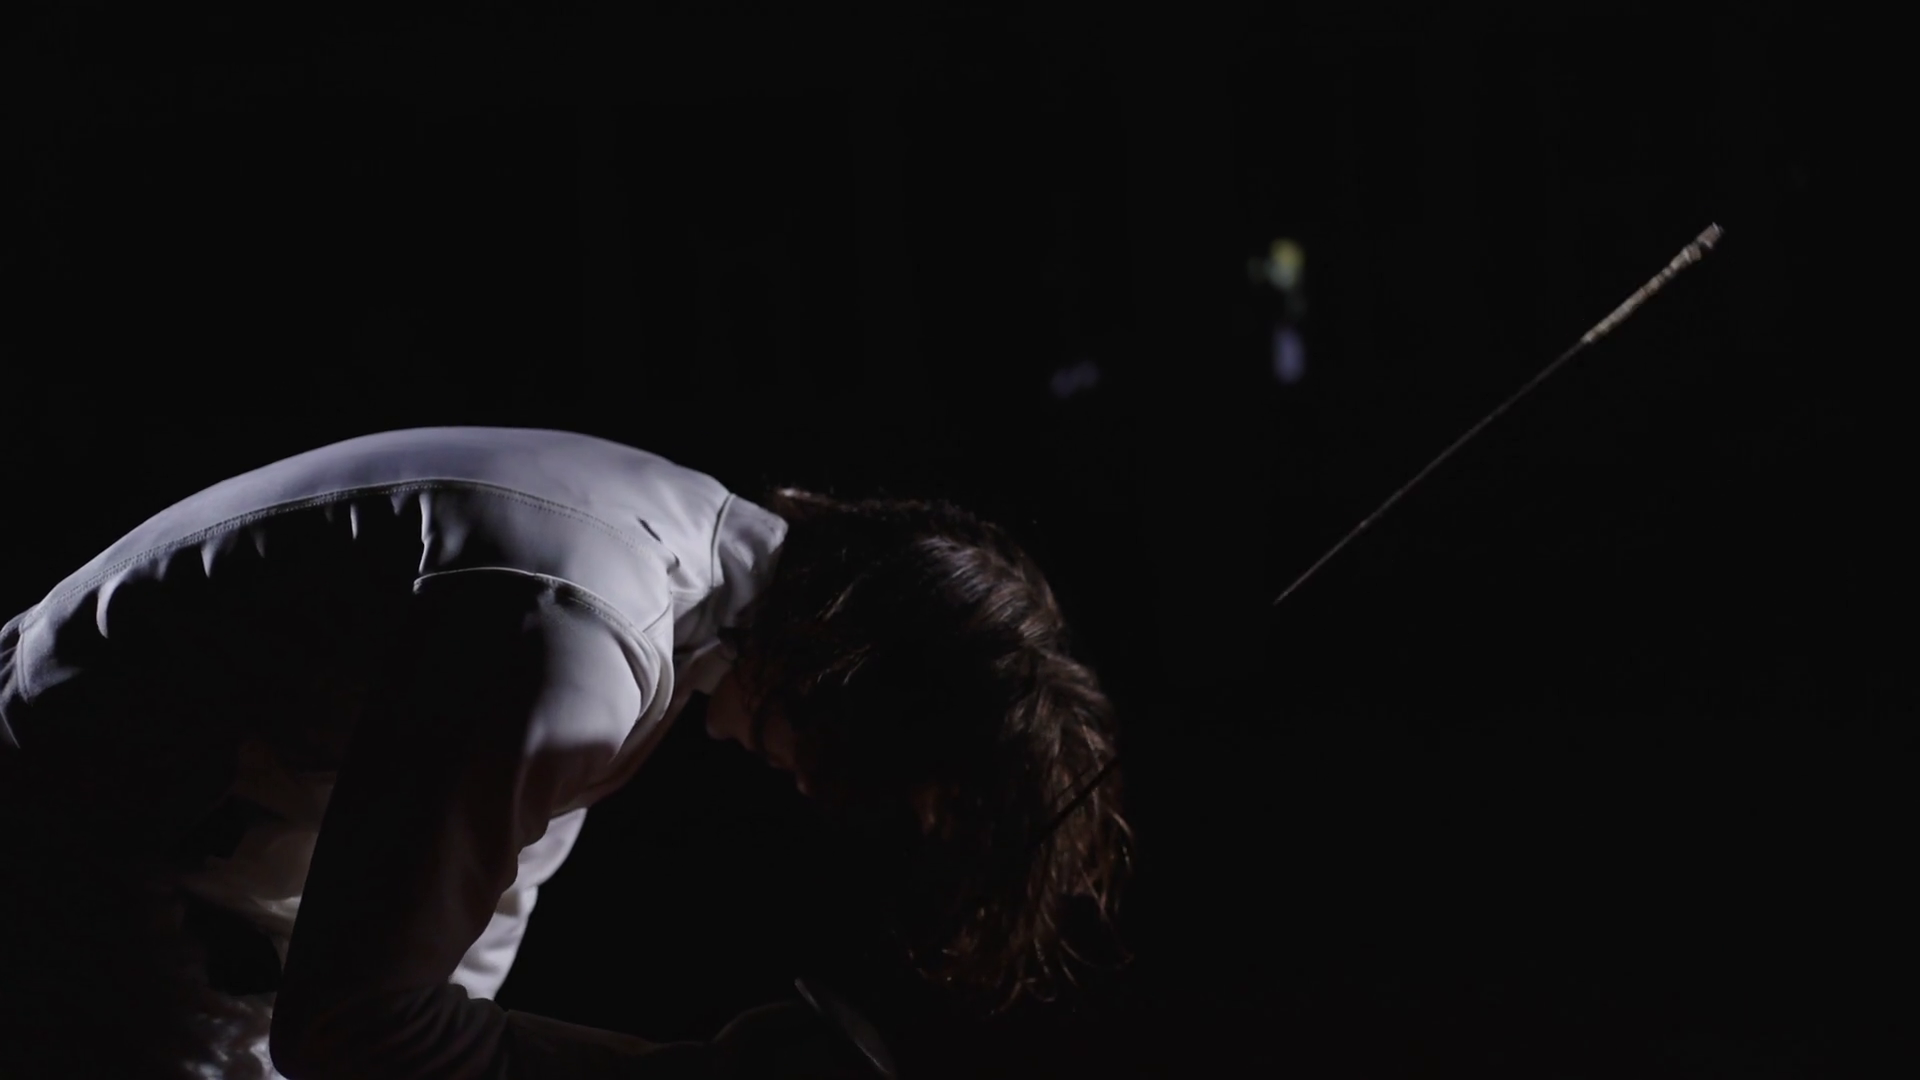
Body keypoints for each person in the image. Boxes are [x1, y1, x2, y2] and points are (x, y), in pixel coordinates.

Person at [0, 426, 1128, 1080]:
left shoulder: (662, 566)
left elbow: (447, 968)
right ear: (862, 689)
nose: (838, 806)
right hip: (68, 860)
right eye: (885, 783)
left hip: (153, 874)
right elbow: (355, 1026)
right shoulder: (588, 631)